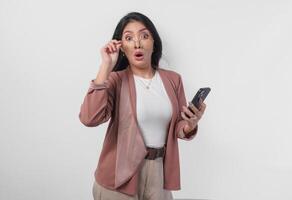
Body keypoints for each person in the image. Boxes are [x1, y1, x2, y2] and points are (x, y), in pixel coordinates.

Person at [79, 11, 207, 200]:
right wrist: (106, 66)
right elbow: (89, 118)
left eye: (144, 36)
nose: (137, 43)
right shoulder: (116, 79)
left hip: (159, 173)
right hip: (119, 176)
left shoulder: (173, 80)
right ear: (121, 47)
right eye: (129, 38)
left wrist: (190, 125)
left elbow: (179, 127)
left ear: (153, 42)